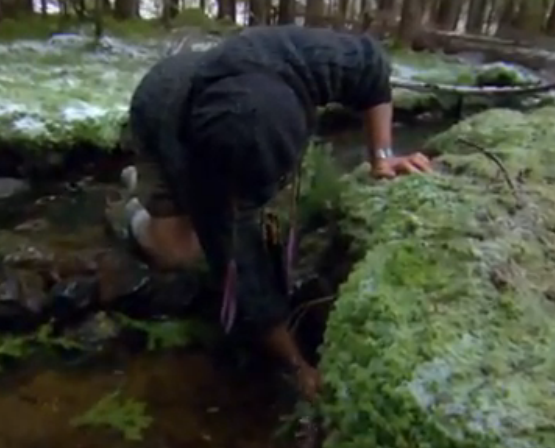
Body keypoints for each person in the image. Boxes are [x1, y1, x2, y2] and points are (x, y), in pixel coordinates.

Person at [115, 25, 431, 400]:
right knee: (177, 251)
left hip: (229, 83)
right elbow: (246, 281)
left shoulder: (307, 59)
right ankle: (129, 206)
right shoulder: (197, 165)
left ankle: (143, 184)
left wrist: (381, 158)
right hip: (159, 107)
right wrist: (297, 365)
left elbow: (373, 71)